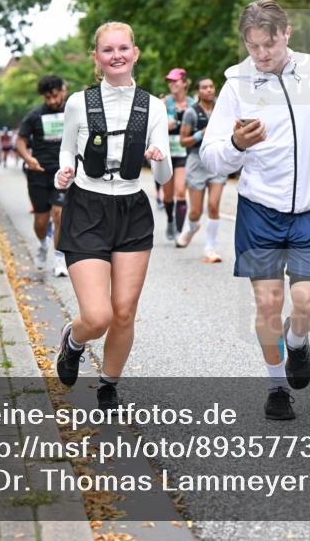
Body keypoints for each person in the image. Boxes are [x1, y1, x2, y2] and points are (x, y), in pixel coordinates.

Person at [202, 0, 310, 421]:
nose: (262, 55)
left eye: (268, 44)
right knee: (268, 304)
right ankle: (276, 387)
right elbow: (211, 157)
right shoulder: (236, 85)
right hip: (260, 209)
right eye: (253, 47)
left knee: (308, 303)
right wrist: (237, 145)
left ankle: (298, 342)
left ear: (286, 33)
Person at [52, 22, 172, 410]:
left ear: (135, 53)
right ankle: (74, 339)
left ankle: (109, 383)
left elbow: (165, 174)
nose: (116, 55)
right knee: (98, 315)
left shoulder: (153, 106)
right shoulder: (77, 102)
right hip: (87, 207)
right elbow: (67, 149)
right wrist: (64, 170)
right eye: (108, 50)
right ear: (97, 58)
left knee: (123, 312)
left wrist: (159, 158)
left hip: (133, 209)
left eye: (123, 48)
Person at [18, 75, 70, 277]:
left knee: (59, 214)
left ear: (63, 91)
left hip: (63, 172)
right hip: (39, 172)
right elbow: (20, 141)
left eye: (55, 96)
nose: (52, 101)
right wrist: (28, 159)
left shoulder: (72, 112)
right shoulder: (34, 115)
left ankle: (59, 259)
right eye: (47, 98)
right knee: (41, 221)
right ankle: (42, 244)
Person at [176, 76, 227, 262]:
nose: (209, 90)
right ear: (198, 91)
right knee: (195, 212)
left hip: (216, 159)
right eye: (204, 87)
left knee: (213, 206)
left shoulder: (223, 111)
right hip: (197, 161)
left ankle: (210, 248)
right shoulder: (191, 112)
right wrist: (200, 134)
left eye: (211, 86)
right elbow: (183, 141)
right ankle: (190, 228)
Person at [163, 68, 196, 240]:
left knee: (180, 192)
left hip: (184, 153)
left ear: (184, 83)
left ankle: (178, 230)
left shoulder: (193, 104)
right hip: (166, 153)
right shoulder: (163, 103)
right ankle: (169, 220)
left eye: (176, 81)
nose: (172, 84)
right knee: (168, 195)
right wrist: (163, 126)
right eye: (170, 81)